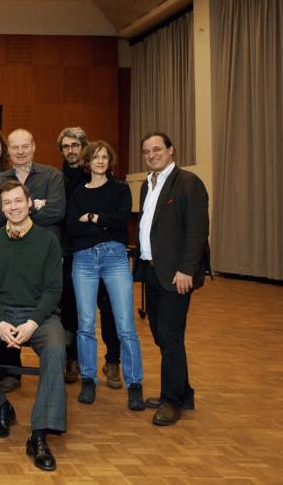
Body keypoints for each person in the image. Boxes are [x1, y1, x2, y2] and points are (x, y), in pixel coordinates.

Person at [0, 180, 65, 472]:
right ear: (2, 207)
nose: (13, 207)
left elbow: (54, 289)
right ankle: (1, 407)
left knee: (56, 349)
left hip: (40, 315)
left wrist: (33, 322)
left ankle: (39, 434)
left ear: (29, 203)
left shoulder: (47, 241)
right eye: (7, 202)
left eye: (18, 201)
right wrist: (0, 321)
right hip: (3, 312)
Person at [134, 131, 209, 426]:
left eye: (157, 149)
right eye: (146, 151)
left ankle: (171, 401)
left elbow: (197, 231)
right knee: (160, 333)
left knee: (170, 337)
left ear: (171, 150)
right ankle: (183, 392)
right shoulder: (147, 184)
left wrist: (187, 269)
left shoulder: (188, 183)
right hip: (152, 271)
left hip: (176, 275)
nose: (152, 155)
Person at [66, 141, 144, 410]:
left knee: (126, 325)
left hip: (115, 258)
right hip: (84, 260)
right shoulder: (77, 193)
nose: (100, 161)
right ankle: (88, 380)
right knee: (86, 323)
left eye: (104, 157)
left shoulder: (120, 189)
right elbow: (72, 228)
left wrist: (92, 218)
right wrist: (103, 224)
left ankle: (135, 385)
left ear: (109, 161)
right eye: (95, 157)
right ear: (87, 162)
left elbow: (123, 221)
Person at [0, 128, 66, 392]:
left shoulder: (52, 175)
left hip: (45, 254)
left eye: (25, 146)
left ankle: (55, 365)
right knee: (7, 303)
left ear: (34, 146)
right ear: (8, 150)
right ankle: (9, 371)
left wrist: (22, 214)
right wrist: (36, 205)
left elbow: (57, 211)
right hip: (10, 254)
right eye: (15, 147)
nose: (20, 151)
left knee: (47, 304)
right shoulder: (0, 180)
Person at [57, 127, 121, 387]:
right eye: (66, 146)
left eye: (75, 145)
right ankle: (72, 360)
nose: (70, 150)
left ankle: (113, 361)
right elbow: (68, 222)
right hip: (71, 252)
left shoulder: (100, 176)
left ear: (84, 147)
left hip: (104, 252)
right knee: (70, 309)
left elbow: (113, 220)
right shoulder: (58, 179)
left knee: (108, 308)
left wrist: (94, 222)